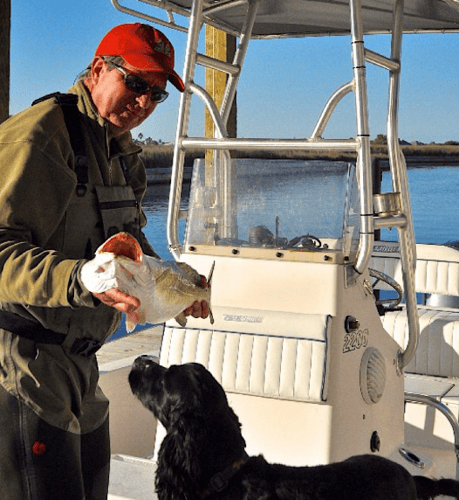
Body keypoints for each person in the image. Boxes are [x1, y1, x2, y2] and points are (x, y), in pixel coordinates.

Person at [0, 23, 209, 500]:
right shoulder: (38, 138)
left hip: (84, 365)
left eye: (156, 95)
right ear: (98, 70)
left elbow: (131, 248)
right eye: (136, 84)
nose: (143, 103)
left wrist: (173, 286)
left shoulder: (123, 153)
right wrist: (79, 277)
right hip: (24, 364)